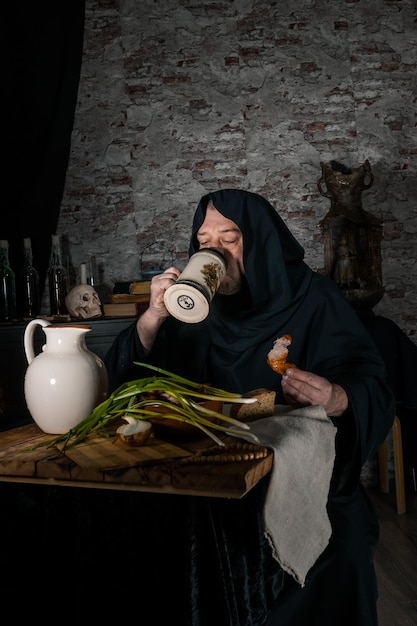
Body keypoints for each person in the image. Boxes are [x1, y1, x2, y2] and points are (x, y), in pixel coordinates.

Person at [104, 188, 395, 625]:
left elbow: (372, 382)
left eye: (230, 237)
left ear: (260, 240)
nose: (213, 251)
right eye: (204, 241)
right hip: (206, 480)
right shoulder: (194, 309)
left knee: (343, 552)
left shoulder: (313, 297)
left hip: (302, 478)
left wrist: (335, 397)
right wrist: (151, 319)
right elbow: (123, 390)